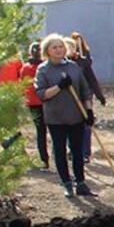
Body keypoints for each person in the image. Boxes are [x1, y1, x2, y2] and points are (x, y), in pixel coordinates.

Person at [33, 34, 96, 199]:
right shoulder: (43, 70)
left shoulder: (73, 67)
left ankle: (81, 183)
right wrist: (59, 86)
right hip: (56, 118)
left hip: (76, 115)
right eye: (54, 47)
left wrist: (88, 111)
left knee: (77, 150)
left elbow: (85, 90)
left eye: (61, 46)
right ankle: (67, 184)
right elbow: (41, 94)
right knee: (59, 150)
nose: (59, 49)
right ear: (47, 50)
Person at [68, 32, 106, 159]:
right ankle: (72, 149)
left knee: (86, 124)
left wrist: (99, 95)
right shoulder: (62, 64)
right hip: (68, 98)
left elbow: (91, 79)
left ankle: (85, 152)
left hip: (85, 95)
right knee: (70, 124)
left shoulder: (84, 61)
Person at [23, 42, 49, 168]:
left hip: (33, 103)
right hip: (46, 101)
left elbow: (23, 86)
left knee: (41, 131)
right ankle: (51, 158)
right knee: (53, 130)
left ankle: (44, 159)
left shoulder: (26, 68)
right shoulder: (45, 67)